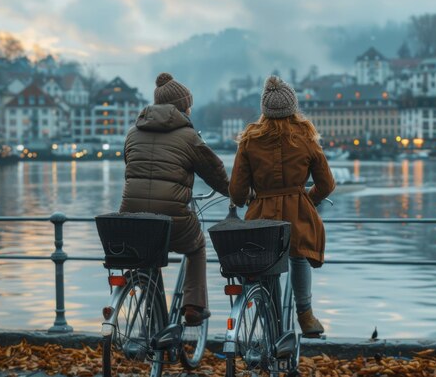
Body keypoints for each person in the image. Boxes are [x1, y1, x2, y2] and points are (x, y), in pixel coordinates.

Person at [229, 75, 336, 336]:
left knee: (267, 267)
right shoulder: (306, 138)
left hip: (261, 215)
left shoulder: (250, 140)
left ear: (265, 110)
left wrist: (247, 201)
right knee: (298, 257)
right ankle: (306, 315)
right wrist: (307, 199)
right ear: (293, 108)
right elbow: (327, 184)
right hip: (297, 212)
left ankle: (272, 322)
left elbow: (237, 190)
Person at [120, 72, 229, 326]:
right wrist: (238, 194)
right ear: (183, 107)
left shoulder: (132, 133)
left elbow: (130, 166)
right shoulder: (189, 137)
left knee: (149, 252)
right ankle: (193, 305)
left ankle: (155, 317)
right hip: (172, 220)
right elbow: (215, 174)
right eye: (188, 104)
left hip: (130, 218)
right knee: (197, 246)